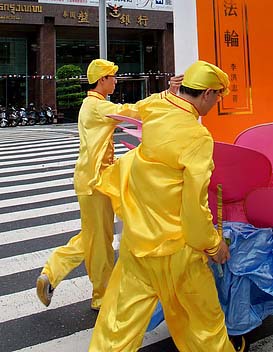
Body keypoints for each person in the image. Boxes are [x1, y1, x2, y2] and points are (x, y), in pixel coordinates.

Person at [89, 60, 236, 352]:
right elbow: (194, 207)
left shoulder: (157, 107)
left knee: (116, 330)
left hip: (137, 244)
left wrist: (167, 92)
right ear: (207, 93)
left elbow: (138, 108)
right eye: (218, 96)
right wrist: (213, 245)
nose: (216, 103)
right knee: (206, 332)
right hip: (178, 252)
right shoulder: (197, 137)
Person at [36, 59, 181, 311]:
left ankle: (53, 274)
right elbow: (132, 111)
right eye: (113, 77)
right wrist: (166, 95)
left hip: (94, 179)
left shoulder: (91, 104)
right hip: (95, 181)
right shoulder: (97, 107)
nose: (116, 81)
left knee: (93, 236)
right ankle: (100, 295)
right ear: (102, 80)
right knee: (99, 241)